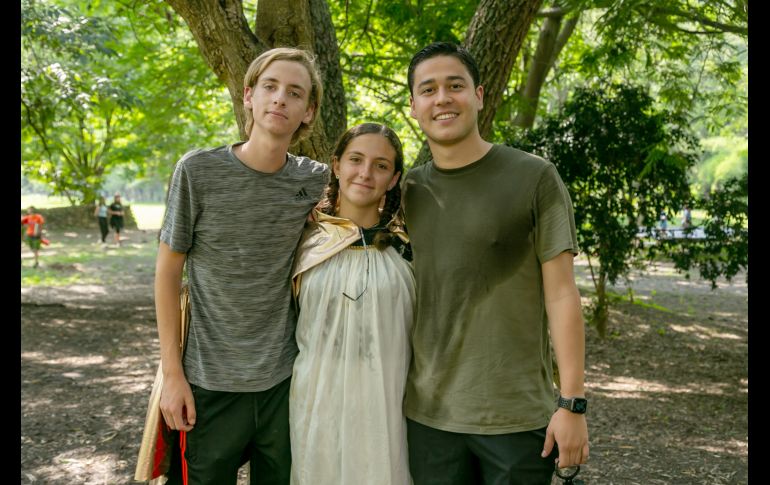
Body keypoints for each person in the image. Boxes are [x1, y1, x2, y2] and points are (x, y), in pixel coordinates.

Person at [401, 42, 589, 484]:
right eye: (428, 89)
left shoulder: (533, 176)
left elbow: (562, 293)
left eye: (455, 85)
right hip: (428, 419)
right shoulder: (405, 192)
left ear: (479, 95)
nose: (442, 98)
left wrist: (572, 403)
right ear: (414, 106)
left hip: (516, 418)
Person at [154, 47, 329, 485]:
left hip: (285, 381)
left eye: (294, 93)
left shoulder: (317, 181)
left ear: (308, 112)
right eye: (270, 87)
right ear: (248, 95)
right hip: (208, 381)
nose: (279, 100)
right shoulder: (198, 171)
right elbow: (167, 273)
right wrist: (172, 376)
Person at [289, 123, 414, 485]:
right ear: (337, 166)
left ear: (393, 179)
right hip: (316, 403)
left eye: (380, 165)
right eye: (356, 160)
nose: (365, 172)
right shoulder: (304, 241)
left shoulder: (407, 250)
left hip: (386, 406)